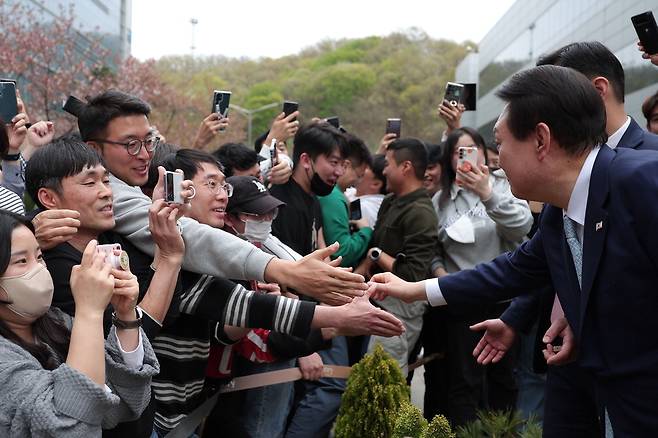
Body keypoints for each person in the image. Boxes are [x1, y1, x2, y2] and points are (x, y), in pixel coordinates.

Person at [369, 64, 658, 436]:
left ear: (541, 140)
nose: (496, 158)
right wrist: (415, 289)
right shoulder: (559, 209)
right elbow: (514, 269)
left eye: (501, 143)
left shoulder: (642, 183)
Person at [39, 90, 368, 306]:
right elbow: (192, 241)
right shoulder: (121, 199)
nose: (144, 155)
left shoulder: (150, 188)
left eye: (148, 141)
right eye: (130, 144)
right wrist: (283, 271)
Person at [486, 41, 658, 437]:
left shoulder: (647, 168)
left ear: (595, 92)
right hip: (571, 363)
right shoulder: (561, 176)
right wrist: (521, 314)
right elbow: (546, 256)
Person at [25, 138, 186, 438]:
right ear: (49, 198)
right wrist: (168, 258)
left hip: (139, 420)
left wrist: (165, 246)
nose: (106, 192)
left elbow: (169, 311)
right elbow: (129, 342)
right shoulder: (53, 267)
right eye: (89, 183)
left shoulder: (111, 240)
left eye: (107, 180)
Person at [0, 210, 158, 437]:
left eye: (40, 257)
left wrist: (125, 315)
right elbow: (71, 429)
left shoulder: (57, 322)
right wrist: (90, 310)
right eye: (22, 261)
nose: (39, 269)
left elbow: (123, 404)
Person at [425, 126, 531, 425]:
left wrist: (486, 192)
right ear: (449, 160)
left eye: (473, 148)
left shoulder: (504, 184)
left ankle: (502, 432)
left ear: (485, 152)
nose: (467, 156)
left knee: (504, 379)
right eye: (459, 152)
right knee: (464, 381)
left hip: (504, 300)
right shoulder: (441, 200)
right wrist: (441, 274)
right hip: (461, 300)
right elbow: (432, 249)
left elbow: (521, 228)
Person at [357, 138, 438, 375]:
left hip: (399, 310)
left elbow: (411, 274)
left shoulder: (421, 213)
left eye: (388, 164)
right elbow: (376, 242)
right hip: (377, 301)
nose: (384, 170)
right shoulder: (391, 201)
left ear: (406, 167)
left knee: (383, 380)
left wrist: (377, 255)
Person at [319, 133, 373, 268]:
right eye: (359, 176)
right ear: (347, 166)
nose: (357, 182)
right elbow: (342, 253)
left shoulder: (329, 192)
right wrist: (366, 230)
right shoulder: (333, 196)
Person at [345, 153, 387, 229]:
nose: (361, 168)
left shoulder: (368, 208)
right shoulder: (353, 192)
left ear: (376, 184)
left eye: (366, 167)